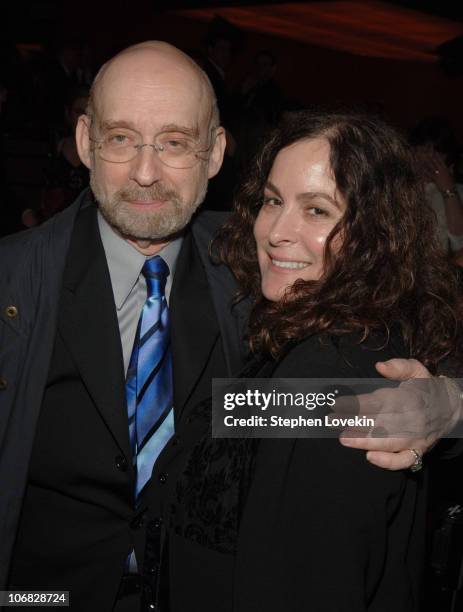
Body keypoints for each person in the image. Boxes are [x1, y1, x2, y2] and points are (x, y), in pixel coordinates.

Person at [0, 42, 461, 611]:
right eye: (121, 139)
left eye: (174, 143)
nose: (145, 173)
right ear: (83, 144)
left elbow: (314, 399)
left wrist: (449, 402)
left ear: (215, 153)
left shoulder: (250, 271)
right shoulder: (13, 282)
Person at [163, 111, 463, 611]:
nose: (277, 231)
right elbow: (246, 421)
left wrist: (450, 408)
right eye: (273, 201)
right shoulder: (317, 337)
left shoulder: (332, 367)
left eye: (318, 210)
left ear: (377, 232)